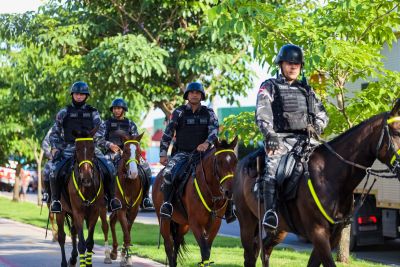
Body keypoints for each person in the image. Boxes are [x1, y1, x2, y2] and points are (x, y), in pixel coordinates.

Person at [255, 44, 329, 230]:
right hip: (280, 139)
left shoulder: (307, 90)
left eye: (297, 64)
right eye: (289, 63)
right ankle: (271, 213)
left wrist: (316, 127)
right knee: (272, 170)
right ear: (281, 64)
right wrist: (269, 133)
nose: (293, 67)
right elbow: (262, 112)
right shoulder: (269, 86)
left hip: (306, 139)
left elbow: (323, 116)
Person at [159, 82, 236, 223]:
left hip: (205, 153)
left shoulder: (209, 112)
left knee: (224, 172)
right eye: (192, 92)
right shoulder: (179, 112)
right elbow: (168, 133)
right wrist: (163, 153)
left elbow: (214, 131)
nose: (194, 94)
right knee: (168, 173)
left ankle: (230, 209)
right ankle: (167, 205)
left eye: (197, 93)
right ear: (187, 95)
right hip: (182, 153)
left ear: (201, 96)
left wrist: (206, 143)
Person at [48, 81, 122, 213]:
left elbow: (100, 131)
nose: (79, 96)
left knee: (110, 168)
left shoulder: (93, 112)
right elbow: (55, 132)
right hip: (70, 147)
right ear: (72, 95)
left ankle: (112, 199)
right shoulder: (64, 112)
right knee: (54, 170)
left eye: (82, 94)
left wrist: (98, 143)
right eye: (77, 94)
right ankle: (55, 201)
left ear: (86, 96)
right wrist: (55, 147)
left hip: (90, 148)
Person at [101, 98, 154, 209]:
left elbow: (135, 140)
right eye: (115, 108)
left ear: (123, 109)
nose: (116, 110)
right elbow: (98, 139)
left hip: (129, 153)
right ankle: (106, 197)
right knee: (103, 169)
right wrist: (110, 145)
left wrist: (126, 149)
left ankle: (145, 198)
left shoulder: (130, 124)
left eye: (119, 108)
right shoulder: (106, 123)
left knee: (146, 168)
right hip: (111, 153)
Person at [41, 128, 53, 203]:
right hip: (57, 157)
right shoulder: (54, 129)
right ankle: (46, 192)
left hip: (74, 155)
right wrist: (49, 154)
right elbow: (45, 143)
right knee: (46, 170)